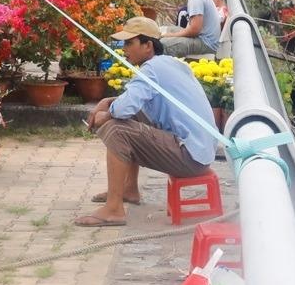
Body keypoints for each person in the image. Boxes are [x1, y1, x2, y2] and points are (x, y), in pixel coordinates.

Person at [78, 16, 217, 227]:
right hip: (200, 151)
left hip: (191, 157)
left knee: (116, 128)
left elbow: (122, 109)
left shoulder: (151, 69)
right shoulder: (169, 64)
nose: (124, 49)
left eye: (129, 43)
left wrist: (106, 114)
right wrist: (108, 102)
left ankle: (114, 209)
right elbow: (131, 104)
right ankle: (129, 189)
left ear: (148, 46)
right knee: (127, 117)